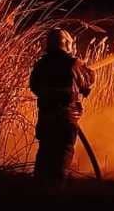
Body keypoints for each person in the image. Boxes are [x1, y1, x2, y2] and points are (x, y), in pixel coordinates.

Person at [29, 28, 95, 187]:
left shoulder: (41, 65)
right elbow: (89, 81)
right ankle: (55, 196)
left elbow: (34, 86)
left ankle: (37, 194)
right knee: (61, 159)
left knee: (44, 158)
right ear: (66, 43)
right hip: (66, 120)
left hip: (45, 119)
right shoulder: (74, 64)